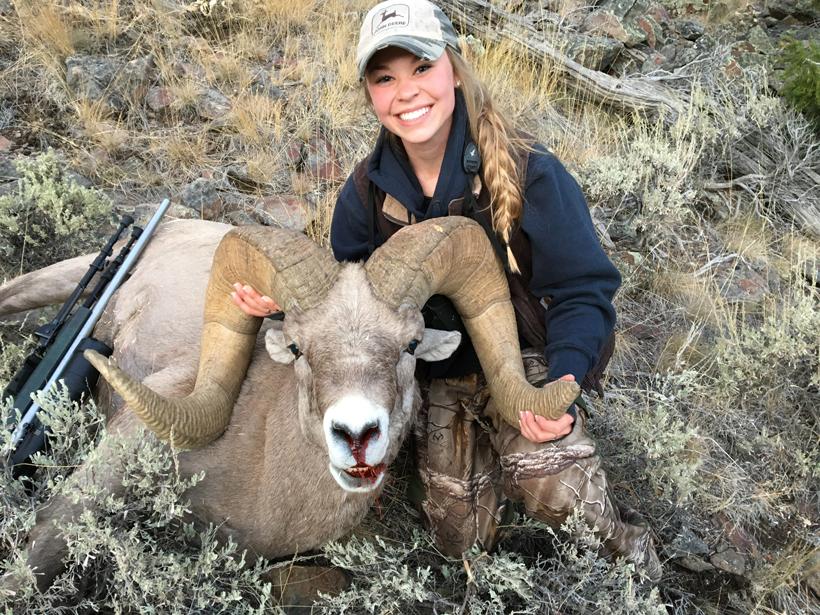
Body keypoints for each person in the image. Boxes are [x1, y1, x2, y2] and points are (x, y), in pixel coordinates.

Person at [232, 0, 661, 581]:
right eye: (385, 78)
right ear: (369, 94)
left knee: (552, 485)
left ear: (454, 69)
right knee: (458, 538)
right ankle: (494, 485)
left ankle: (630, 554)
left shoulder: (529, 171)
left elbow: (583, 291)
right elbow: (350, 311)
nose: (406, 91)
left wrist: (562, 380)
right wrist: (281, 305)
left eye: (422, 68)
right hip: (433, 371)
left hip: (522, 362)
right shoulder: (363, 197)